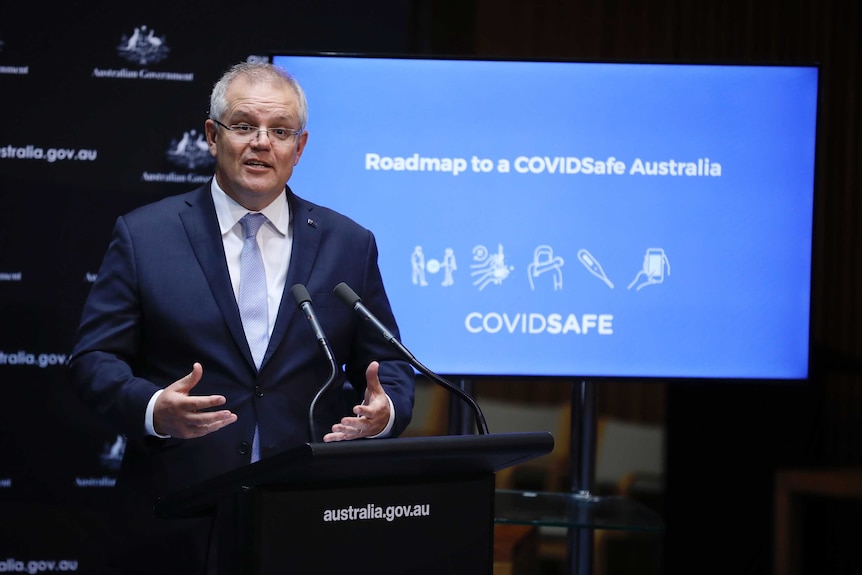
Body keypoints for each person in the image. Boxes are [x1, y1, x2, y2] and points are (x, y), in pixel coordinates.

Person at [68, 61, 415, 574]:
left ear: (299, 148)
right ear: (212, 135)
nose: (261, 143)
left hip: (307, 517)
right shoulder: (146, 236)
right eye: (244, 126)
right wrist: (152, 408)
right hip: (176, 517)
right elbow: (93, 359)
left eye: (279, 132)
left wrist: (385, 412)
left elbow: (390, 364)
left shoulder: (348, 244)